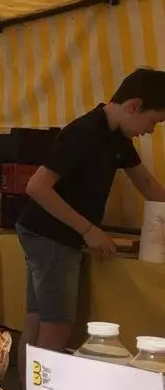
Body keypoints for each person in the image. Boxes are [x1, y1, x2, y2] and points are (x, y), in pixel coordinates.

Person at [18, 68, 165, 355]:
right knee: (56, 327)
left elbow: (146, 183)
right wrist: (88, 230)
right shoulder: (83, 133)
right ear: (134, 105)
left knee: (38, 323)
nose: (150, 130)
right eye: (154, 121)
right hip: (50, 235)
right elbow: (37, 187)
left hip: (55, 234)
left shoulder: (118, 138)